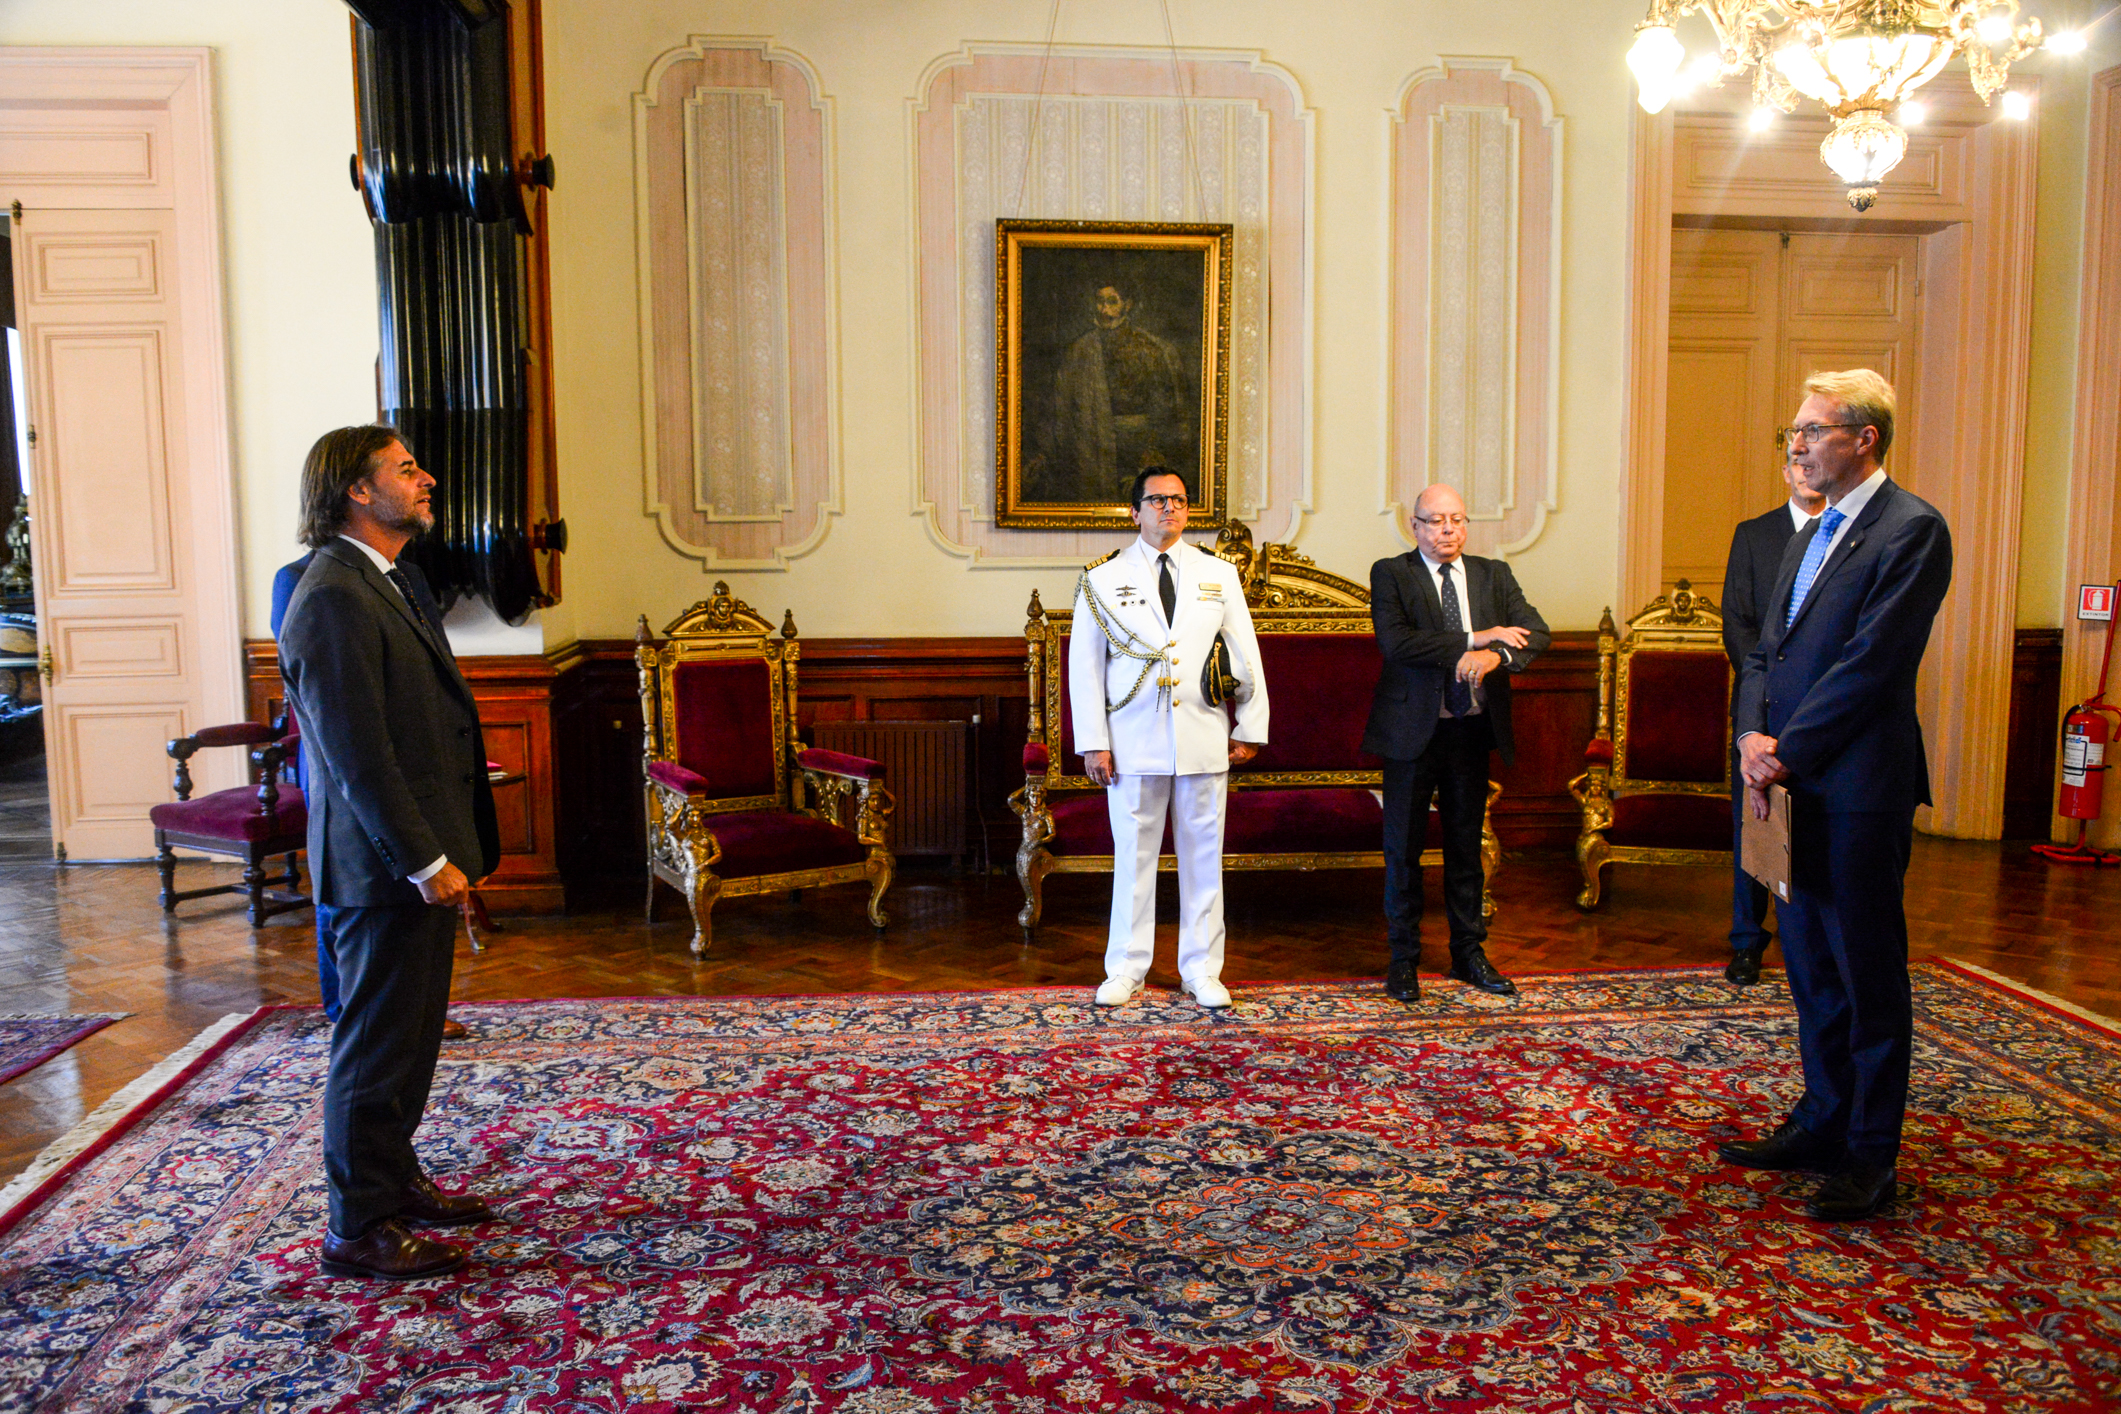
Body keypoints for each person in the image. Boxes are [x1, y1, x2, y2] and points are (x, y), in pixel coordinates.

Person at [1724, 369, 1952, 1222]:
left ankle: (1868, 1155)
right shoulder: (1804, 530)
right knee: (1810, 964)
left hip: (1856, 787)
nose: (1796, 444)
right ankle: (1821, 1120)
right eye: (1793, 430)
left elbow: (1872, 663)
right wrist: (1751, 737)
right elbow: (1761, 650)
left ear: (1864, 440)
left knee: (1863, 971)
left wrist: (1783, 752)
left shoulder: (1912, 529)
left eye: (1814, 430)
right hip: (1784, 782)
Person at [279, 426, 500, 1279]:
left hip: (415, 857)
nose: (427, 478)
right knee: (373, 1045)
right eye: (406, 470)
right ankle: (356, 1228)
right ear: (355, 494)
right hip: (380, 869)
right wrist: (421, 861)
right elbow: (357, 754)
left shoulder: (393, 578)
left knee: (409, 1041)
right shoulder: (331, 594)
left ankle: (394, 1180)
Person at [1070, 467, 1267, 1008]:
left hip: (1202, 734)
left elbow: (1244, 653)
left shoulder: (1218, 574)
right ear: (1134, 512)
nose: (1169, 509)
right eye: (1156, 500)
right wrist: (1093, 741)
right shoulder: (1102, 578)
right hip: (1132, 740)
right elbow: (1084, 666)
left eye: (1178, 501)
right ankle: (1127, 967)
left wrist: (1250, 726)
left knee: (1205, 857)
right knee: (1133, 857)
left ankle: (1202, 969)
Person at [1364, 484, 1549, 1003]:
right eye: (1436, 520)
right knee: (1403, 849)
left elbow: (1537, 633)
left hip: (1470, 730)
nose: (1448, 530)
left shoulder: (1494, 575)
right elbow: (1397, 642)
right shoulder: (1392, 572)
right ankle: (1403, 961)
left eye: (1457, 520)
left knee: (1465, 848)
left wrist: (1497, 657)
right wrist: (1478, 637)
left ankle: (1469, 953)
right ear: (1414, 526)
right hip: (1410, 735)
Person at [1718, 455, 1825, 985]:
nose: (1806, 472)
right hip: (1760, 707)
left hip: (1825, 708)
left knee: (1817, 824)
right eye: (1796, 465)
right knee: (1756, 823)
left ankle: (1809, 934)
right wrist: (1768, 687)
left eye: (1814, 463)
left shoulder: (1847, 536)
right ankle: (1746, 941)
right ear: (1784, 473)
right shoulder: (1755, 534)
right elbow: (1736, 621)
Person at [1049, 280, 1193, 503]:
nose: (1103, 310)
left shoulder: (1150, 349)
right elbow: (1064, 413)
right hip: (1094, 449)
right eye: (1099, 302)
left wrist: (1150, 451)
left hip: (1140, 450)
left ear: (1128, 305)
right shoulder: (1079, 351)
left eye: (1112, 302)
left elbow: (1165, 412)